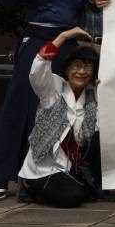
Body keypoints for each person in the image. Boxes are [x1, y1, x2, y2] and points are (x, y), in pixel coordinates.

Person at [0, 0, 105, 200]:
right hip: (35, 43)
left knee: (63, 109)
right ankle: (2, 176)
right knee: (19, 105)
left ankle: (54, 171)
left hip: (68, 46)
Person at [17, 28, 101, 208]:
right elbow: (38, 67)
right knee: (73, 197)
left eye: (87, 67)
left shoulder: (92, 98)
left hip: (70, 165)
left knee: (91, 193)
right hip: (42, 168)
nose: (81, 71)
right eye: (76, 66)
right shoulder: (53, 87)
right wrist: (64, 36)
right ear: (68, 69)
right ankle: (28, 187)